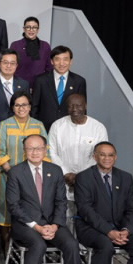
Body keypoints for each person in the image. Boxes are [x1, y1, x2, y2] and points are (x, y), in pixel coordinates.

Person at [6, 134, 82, 264]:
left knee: (71, 244)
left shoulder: (55, 170)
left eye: (39, 148)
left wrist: (55, 225)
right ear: (24, 151)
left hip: (52, 223)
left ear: (45, 150)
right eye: (30, 148)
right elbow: (13, 206)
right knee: (38, 244)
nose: (35, 152)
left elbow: (61, 201)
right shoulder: (16, 172)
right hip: (26, 224)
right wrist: (37, 227)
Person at [0, 91, 49, 254]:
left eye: (24, 104)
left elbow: (46, 150)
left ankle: (29, 249)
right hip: (8, 177)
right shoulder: (5, 125)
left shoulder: (38, 125)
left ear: (30, 107)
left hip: (34, 179)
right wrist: (11, 172)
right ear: (12, 107)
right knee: (6, 214)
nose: (21, 108)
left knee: (30, 212)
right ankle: (6, 251)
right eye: (17, 105)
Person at [48, 94, 108, 227]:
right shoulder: (57, 126)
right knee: (63, 216)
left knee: (87, 216)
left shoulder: (98, 128)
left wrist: (81, 177)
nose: (74, 109)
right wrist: (65, 173)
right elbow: (51, 151)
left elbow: (101, 155)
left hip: (89, 179)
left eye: (78, 105)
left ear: (85, 106)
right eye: (71, 106)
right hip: (62, 178)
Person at [32, 45, 87, 131]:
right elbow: (34, 107)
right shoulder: (41, 80)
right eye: (57, 59)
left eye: (65, 59)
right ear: (52, 61)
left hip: (70, 128)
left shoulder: (79, 81)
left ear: (71, 61)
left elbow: (82, 108)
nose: (61, 63)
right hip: (44, 128)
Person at [10, 16, 52, 88]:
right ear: (24, 29)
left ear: (38, 29)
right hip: (19, 85)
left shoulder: (45, 46)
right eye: (28, 27)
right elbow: (11, 66)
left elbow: (49, 68)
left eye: (34, 27)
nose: (31, 30)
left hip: (39, 85)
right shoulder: (15, 45)